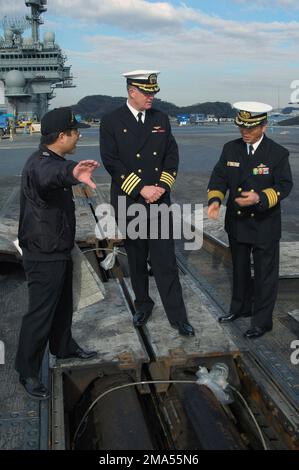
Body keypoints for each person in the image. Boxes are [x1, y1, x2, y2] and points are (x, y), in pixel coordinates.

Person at [100, 70, 194, 337]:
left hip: (159, 200)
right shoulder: (111, 121)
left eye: (153, 92)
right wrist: (141, 188)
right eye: (147, 92)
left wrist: (161, 187)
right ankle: (143, 305)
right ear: (132, 92)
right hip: (130, 200)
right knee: (137, 258)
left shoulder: (161, 118)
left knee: (166, 260)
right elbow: (111, 161)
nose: (152, 97)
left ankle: (178, 316)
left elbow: (171, 155)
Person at [16, 107, 100, 399]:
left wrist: (71, 170)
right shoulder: (42, 164)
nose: (78, 137)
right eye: (75, 132)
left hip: (58, 246)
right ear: (61, 136)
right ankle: (26, 371)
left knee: (63, 304)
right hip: (43, 251)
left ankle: (63, 347)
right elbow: (49, 176)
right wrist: (72, 172)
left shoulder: (53, 159)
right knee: (40, 313)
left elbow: (57, 172)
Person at [207, 101, 293, 339]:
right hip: (237, 222)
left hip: (265, 223)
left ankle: (262, 322)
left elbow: (284, 186)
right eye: (241, 127)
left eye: (250, 128)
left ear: (263, 127)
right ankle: (240, 309)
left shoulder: (277, 153)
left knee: (265, 275)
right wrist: (215, 199)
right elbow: (219, 177)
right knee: (240, 270)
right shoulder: (230, 149)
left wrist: (260, 198)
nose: (244, 132)